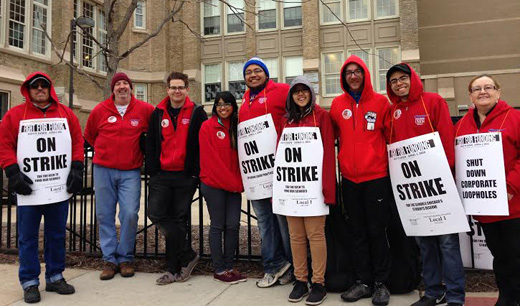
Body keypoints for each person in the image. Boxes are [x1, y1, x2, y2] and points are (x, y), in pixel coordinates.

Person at [386, 63, 465, 306]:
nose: (399, 84)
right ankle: (433, 291)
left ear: (413, 79)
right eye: (394, 81)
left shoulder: (433, 101)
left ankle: (455, 296)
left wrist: (447, 175)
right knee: (424, 243)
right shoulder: (393, 112)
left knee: (447, 243)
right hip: (413, 192)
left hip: (439, 186)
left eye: (403, 78)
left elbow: (446, 137)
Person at [0, 72, 83, 303]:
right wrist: (12, 172)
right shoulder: (15, 115)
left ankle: (55, 276)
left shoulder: (66, 114)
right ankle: (29, 282)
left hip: (57, 188)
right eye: (34, 86)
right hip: (29, 190)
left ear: (49, 89)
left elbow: (77, 140)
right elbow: (4, 143)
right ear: (28, 89)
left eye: (43, 85)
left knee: (56, 234)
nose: (39, 89)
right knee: (27, 237)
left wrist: (77, 167)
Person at [329, 55, 392, 306]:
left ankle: (380, 283)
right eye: (348, 73)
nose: (353, 76)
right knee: (357, 233)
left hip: (376, 177)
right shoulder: (336, 105)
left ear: (365, 75)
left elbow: (391, 137)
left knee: (377, 232)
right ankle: (363, 281)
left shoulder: (381, 103)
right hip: (349, 179)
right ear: (343, 78)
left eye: (357, 72)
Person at [455, 74, 520, 306]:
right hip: (484, 206)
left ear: (499, 92)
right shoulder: (462, 125)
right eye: (476, 88)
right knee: (500, 257)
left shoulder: (515, 118)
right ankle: (507, 296)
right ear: (470, 96)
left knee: (516, 255)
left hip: (513, 205)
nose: (483, 91)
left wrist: (511, 186)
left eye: (488, 87)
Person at [84, 72, 154, 280]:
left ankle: (125, 257)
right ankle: (109, 259)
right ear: (113, 89)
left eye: (126, 83)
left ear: (131, 88)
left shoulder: (145, 110)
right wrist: (106, 152)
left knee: (130, 213)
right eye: (118, 84)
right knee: (104, 214)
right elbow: (89, 137)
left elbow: (159, 129)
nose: (122, 87)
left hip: (131, 171)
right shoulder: (100, 110)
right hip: (103, 170)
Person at [146, 71, 207, 285]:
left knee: (178, 220)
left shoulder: (197, 112)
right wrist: (153, 170)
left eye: (181, 87)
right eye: (173, 87)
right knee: (156, 213)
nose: (177, 91)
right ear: (167, 90)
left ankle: (173, 269)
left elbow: (203, 144)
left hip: (185, 176)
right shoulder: (158, 112)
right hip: (162, 175)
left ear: (187, 89)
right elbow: (151, 142)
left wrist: (194, 173)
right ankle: (188, 255)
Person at [280, 76, 336, 305]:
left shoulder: (321, 116)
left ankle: (319, 282)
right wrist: (280, 189)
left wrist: (328, 188)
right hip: (293, 188)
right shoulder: (286, 120)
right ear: (291, 96)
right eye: (296, 91)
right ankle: (300, 280)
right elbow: (280, 156)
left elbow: (328, 157)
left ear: (311, 94)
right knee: (296, 236)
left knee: (315, 235)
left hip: (314, 189)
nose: (300, 94)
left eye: (304, 90)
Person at [239, 56, 293, 288]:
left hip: (281, 168)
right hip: (257, 175)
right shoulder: (244, 101)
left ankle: (296, 268)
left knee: (284, 221)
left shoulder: (282, 91)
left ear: (266, 73)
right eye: (248, 72)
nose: (253, 75)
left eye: (257, 71)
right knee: (264, 222)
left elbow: (305, 109)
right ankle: (273, 266)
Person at [199, 91, 247, 284]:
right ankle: (219, 269)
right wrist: (235, 182)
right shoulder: (207, 127)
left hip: (233, 185)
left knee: (233, 226)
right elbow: (212, 160)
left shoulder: (238, 127)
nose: (223, 107)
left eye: (226, 104)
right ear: (214, 107)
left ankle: (229, 266)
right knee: (218, 226)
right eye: (218, 104)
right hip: (214, 184)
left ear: (233, 106)